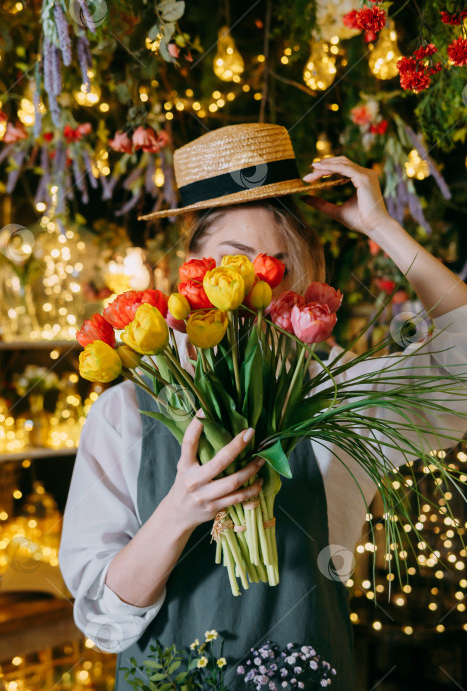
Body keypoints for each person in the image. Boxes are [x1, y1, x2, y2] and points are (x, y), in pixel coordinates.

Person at [59, 123, 467, 690]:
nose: (259, 283)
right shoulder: (126, 412)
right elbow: (104, 620)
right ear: (191, 262)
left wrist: (381, 226)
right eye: (236, 259)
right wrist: (179, 511)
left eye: (280, 263)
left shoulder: (339, 393)